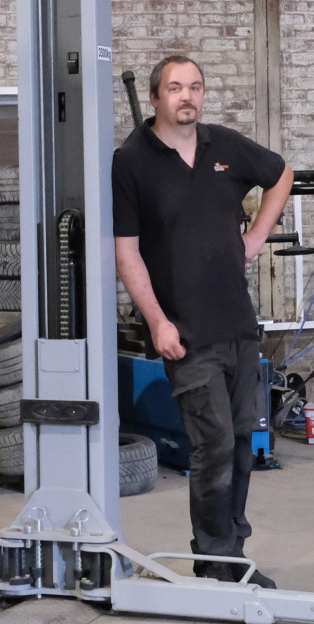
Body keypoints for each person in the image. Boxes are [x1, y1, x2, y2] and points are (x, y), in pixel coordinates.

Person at [112, 55, 294, 588]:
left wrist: (257, 235)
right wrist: (158, 323)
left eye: (194, 87)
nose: (186, 97)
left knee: (241, 441)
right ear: (154, 98)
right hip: (185, 332)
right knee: (212, 443)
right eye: (174, 88)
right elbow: (128, 254)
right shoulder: (132, 162)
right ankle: (216, 556)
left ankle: (229, 554)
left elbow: (281, 173)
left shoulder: (224, 147)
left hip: (237, 324)